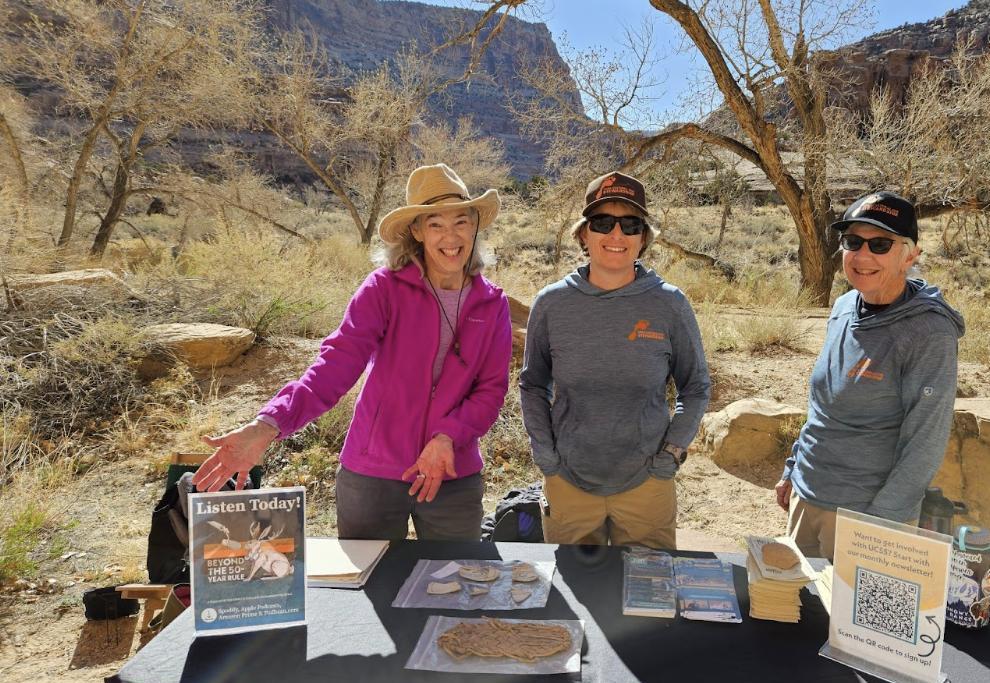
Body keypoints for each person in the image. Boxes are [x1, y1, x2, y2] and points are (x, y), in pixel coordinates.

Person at [193, 164, 513, 541]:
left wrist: (448, 437)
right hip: (372, 473)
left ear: (475, 225)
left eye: (461, 222)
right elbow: (338, 361)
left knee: (456, 588)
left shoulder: (491, 304)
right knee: (366, 592)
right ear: (416, 231)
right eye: (435, 225)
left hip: (451, 473)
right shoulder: (384, 288)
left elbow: (490, 390)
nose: (451, 237)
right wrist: (269, 424)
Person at [519, 171, 711, 550]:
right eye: (603, 223)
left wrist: (670, 456)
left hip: (647, 485)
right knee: (576, 599)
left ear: (644, 238)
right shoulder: (552, 304)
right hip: (568, 483)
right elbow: (532, 384)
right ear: (583, 235)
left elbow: (696, 385)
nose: (616, 235)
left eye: (630, 225)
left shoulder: (669, 304)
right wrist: (547, 459)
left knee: (648, 601)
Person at [775, 191, 964, 558]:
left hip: (864, 515)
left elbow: (925, 440)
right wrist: (793, 469)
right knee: (796, 609)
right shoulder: (845, 306)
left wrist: (881, 524)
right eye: (853, 242)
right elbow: (823, 406)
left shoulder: (929, 333)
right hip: (809, 494)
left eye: (880, 244)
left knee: (844, 616)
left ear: (910, 255)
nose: (863, 256)